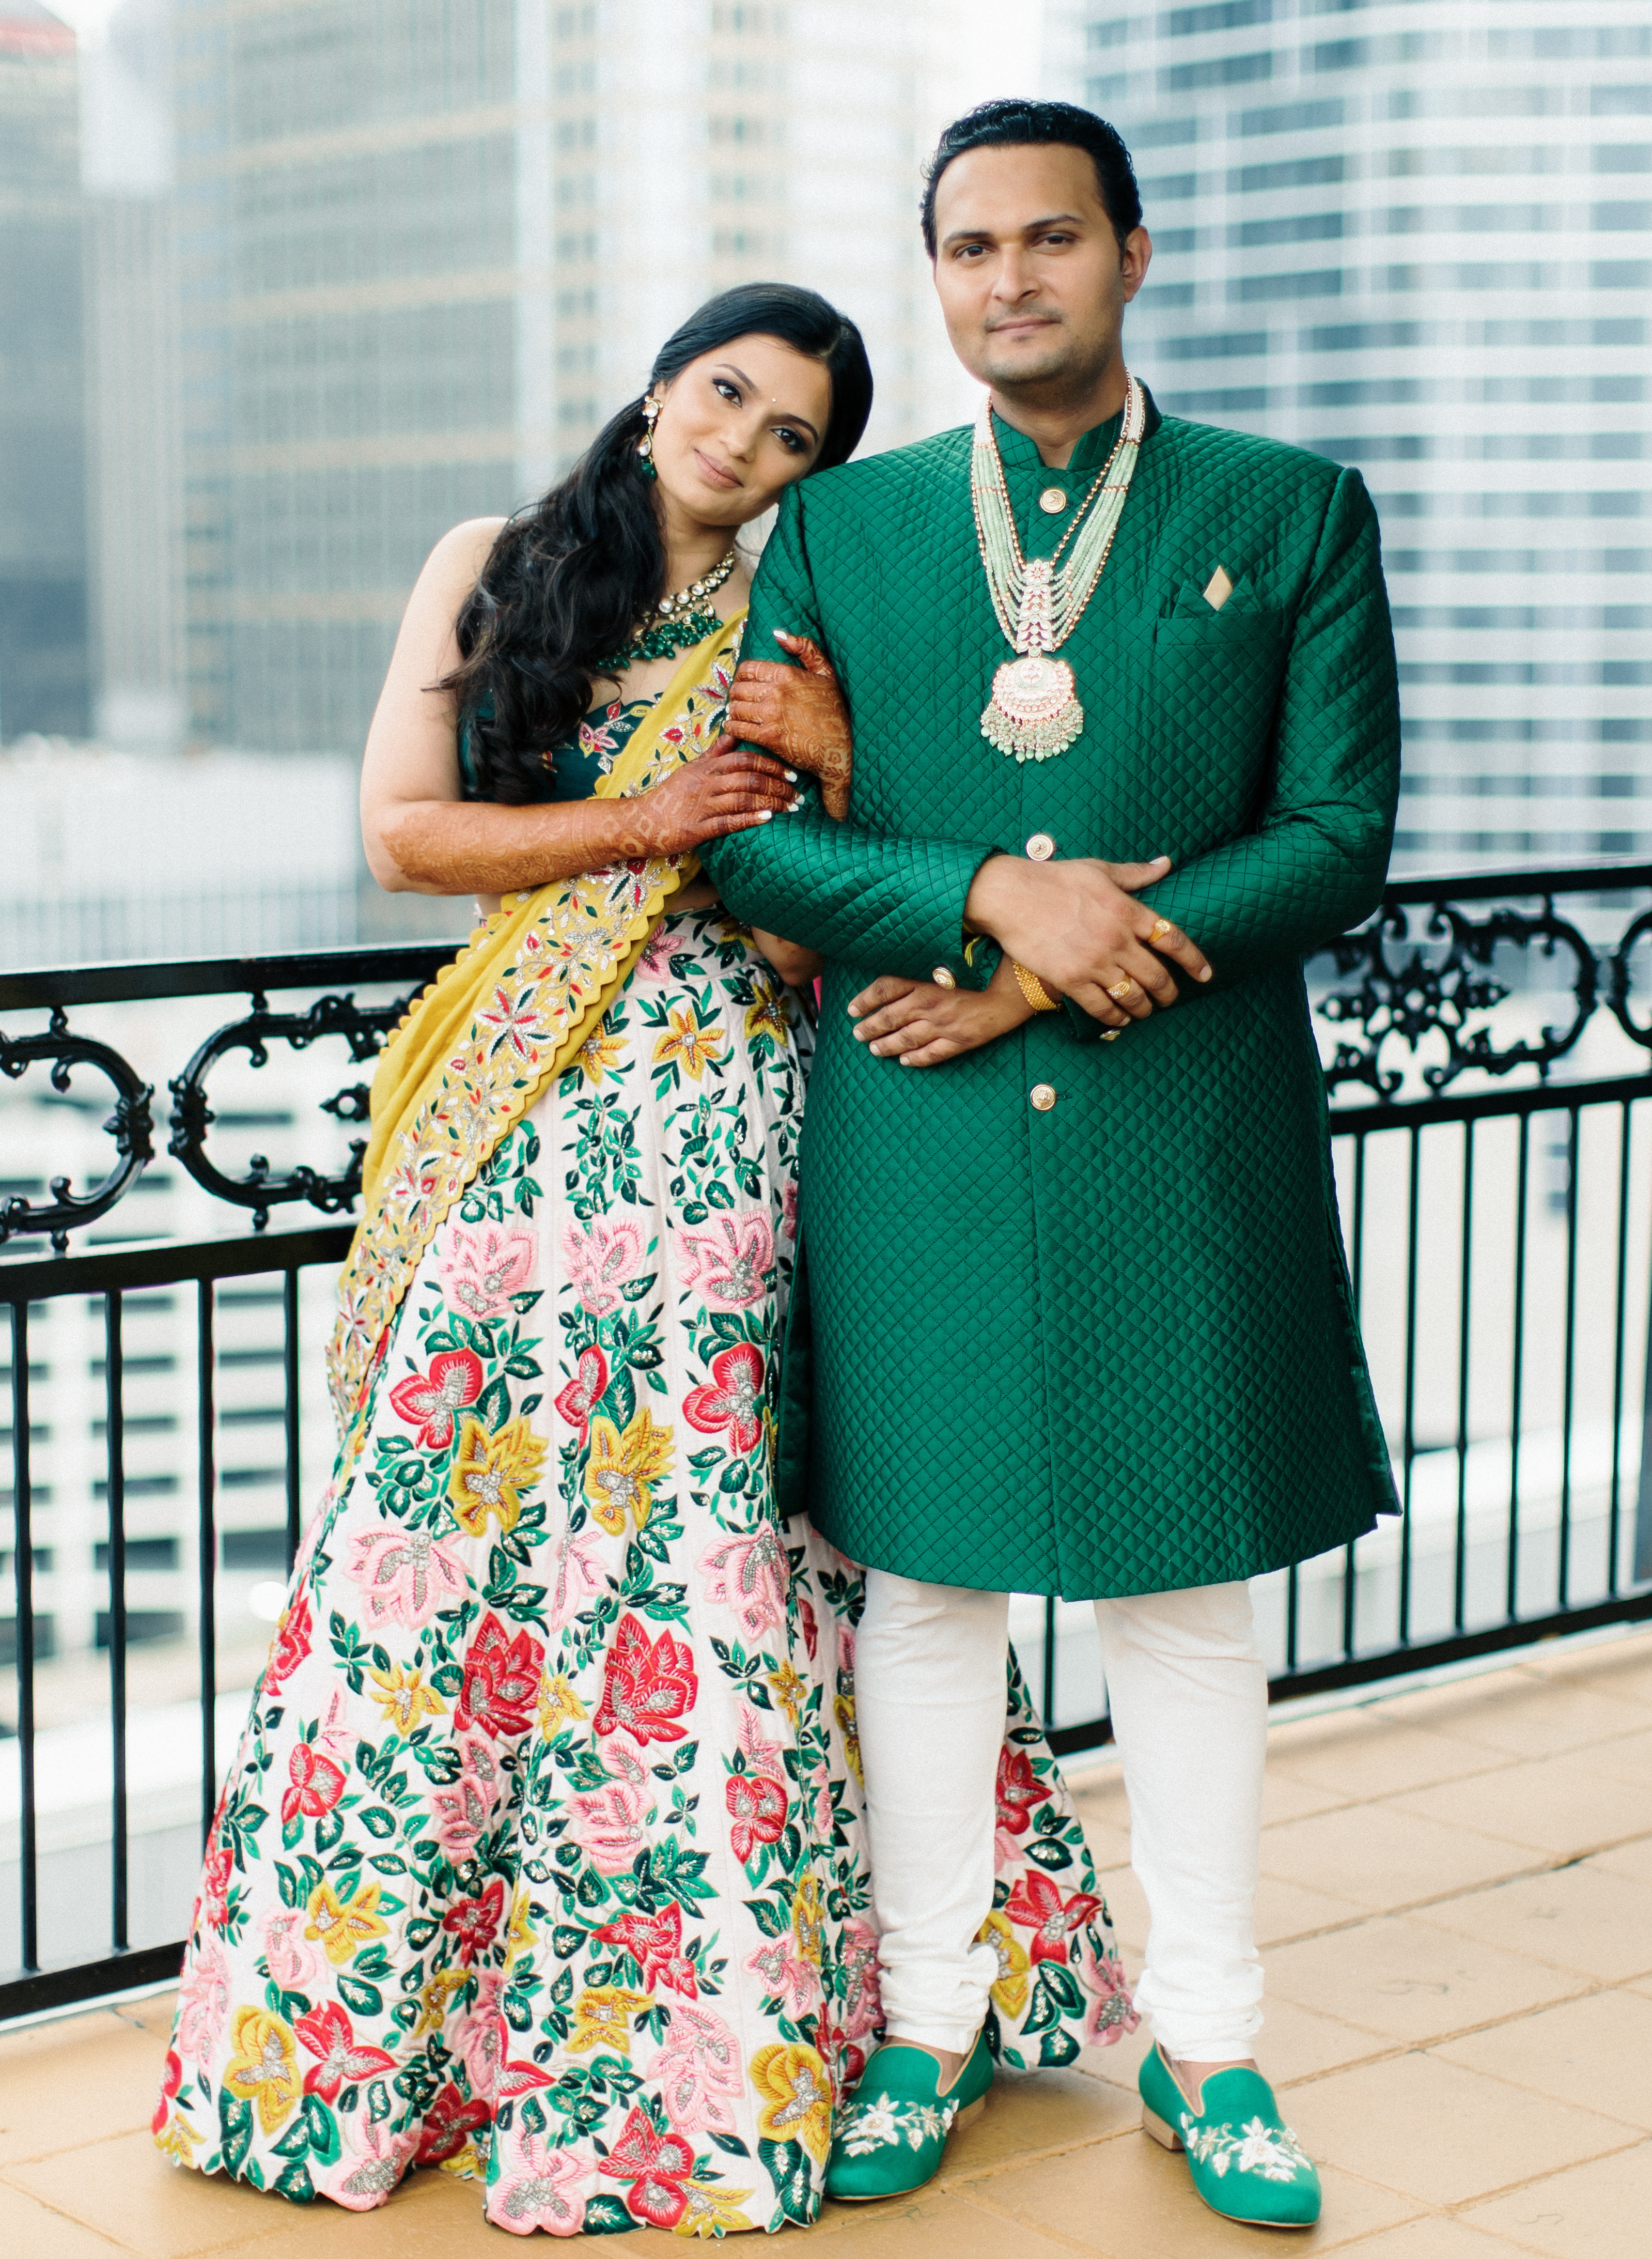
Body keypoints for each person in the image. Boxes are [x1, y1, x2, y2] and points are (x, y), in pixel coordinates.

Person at [155, 283, 1133, 2238]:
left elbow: (793, 935)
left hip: (723, 1128)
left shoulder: (798, 618)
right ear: (665, 381)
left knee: (710, 1534)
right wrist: (647, 818)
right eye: (727, 394)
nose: (744, 444)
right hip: (509, 1117)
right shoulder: (492, 564)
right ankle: (373, 2034)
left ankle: (722, 2036)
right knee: (443, 1534)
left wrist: (835, 770)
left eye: (792, 437)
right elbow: (403, 835)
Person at [704, 107, 1402, 2231]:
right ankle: (924, 2023)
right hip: (908, 1141)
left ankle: (1207, 2045)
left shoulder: (1286, 509)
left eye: (1045, 238)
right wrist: (995, 898)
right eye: (965, 247)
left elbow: (1338, 835)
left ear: (1129, 250)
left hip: (1174, 1129)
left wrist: (1045, 976)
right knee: (920, 1599)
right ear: (931, 277)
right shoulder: (845, 531)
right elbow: (751, 833)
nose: (1003, 278)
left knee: (1181, 1602)